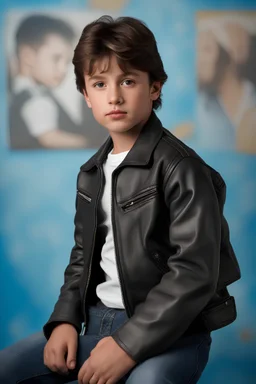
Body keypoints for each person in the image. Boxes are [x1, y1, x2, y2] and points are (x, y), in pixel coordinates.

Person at [0, 15, 241, 384]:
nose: (114, 96)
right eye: (99, 84)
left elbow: (194, 272)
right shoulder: (91, 172)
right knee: (10, 368)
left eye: (128, 81)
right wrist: (65, 319)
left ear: (155, 87)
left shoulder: (182, 168)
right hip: (97, 322)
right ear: (85, 95)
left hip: (171, 332)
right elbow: (82, 257)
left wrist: (127, 344)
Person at [9, 14, 106, 150]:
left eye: (66, 62)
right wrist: (95, 146)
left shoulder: (28, 94)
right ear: (28, 56)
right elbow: (50, 138)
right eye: (56, 59)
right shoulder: (35, 98)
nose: (63, 70)